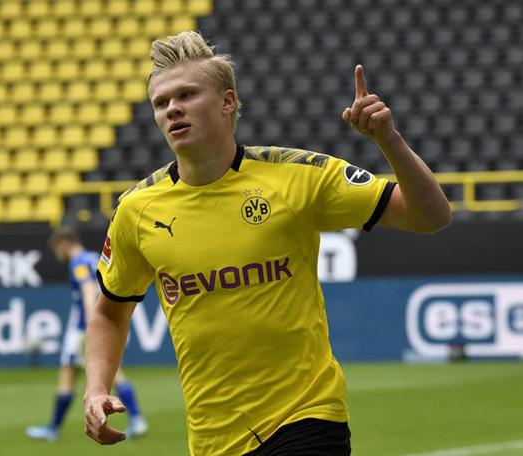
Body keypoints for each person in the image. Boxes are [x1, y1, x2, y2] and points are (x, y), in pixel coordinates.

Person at [84, 31, 451, 455]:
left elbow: (431, 216)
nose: (173, 109)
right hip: (213, 439)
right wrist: (96, 388)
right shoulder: (137, 210)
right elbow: (110, 312)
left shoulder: (297, 176)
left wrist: (389, 140)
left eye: (187, 94)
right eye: (161, 103)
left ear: (227, 102)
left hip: (307, 417)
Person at [26, 225, 147, 442]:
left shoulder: (78, 263)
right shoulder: (93, 258)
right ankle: (136, 419)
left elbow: (88, 291)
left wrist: (94, 325)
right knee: (107, 371)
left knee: (72, 375)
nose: (58, 255)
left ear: (63, 244)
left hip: (83, 330)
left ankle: (54, 429)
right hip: (99, 326)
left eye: (57, 249)